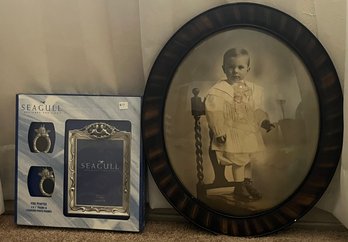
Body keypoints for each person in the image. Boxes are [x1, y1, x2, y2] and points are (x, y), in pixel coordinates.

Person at [205, 48, 274, 202]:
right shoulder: (218, 91)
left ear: (248, 69)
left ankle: (247, 182)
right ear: (223, 68)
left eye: (240, 67)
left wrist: (264, 122)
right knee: (239, 159)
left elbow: (257, 110)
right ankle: (238, 186)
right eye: (231, 67)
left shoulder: (253, 90)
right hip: (231, 132)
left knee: (248, 158)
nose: (235, 71)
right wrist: (219, 131)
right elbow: (213, 112)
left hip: (248, 131)